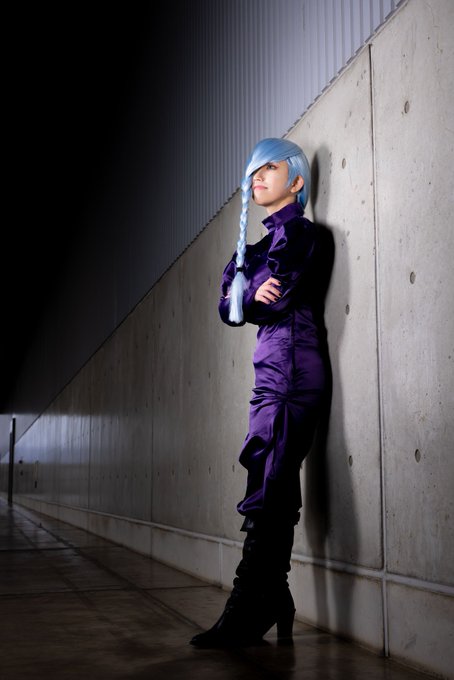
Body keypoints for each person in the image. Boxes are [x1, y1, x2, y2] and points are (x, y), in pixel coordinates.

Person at [190, 137, 328, 648]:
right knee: (267, 478)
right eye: (253, 171)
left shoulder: (301, 234)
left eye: (269, 168)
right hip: (269, 375)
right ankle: (273, 596)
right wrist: (249, 292)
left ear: (297, 180)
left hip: (293, 371)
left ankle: (251, 600)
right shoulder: (252, 249)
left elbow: (276, 299)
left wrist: (247, 295)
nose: (258, 178)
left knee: (270, 481)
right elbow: (227, 308)